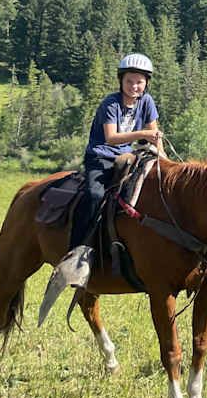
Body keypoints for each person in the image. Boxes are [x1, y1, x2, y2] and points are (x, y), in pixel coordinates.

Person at [39, 53, 163, 322]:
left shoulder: (148, 102)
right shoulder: (110, 103)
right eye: (130, 81)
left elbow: (155, 134)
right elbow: (111, 136)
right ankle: (76, 253)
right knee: (95, 194)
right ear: (121, 81)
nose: (135, 86)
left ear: (146, 84)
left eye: (140, 82)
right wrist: (142, 135)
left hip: (130, 157)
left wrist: (163, 161)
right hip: (100, 157)